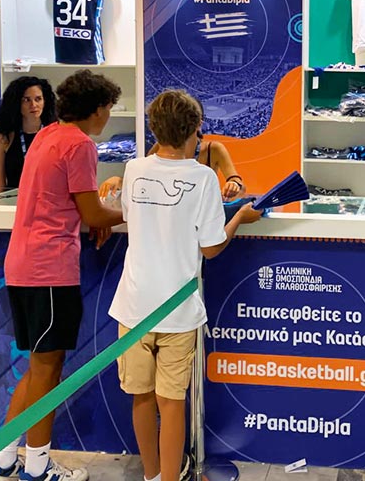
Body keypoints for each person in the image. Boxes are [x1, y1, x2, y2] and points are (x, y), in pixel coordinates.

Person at [108, 89, 261, 481]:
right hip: (177, 311)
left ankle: (151, 475)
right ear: (195, 129)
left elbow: (128, 216)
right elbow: (211, 247)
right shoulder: (203, 177)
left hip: (133, 306)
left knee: (141, 398)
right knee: (171, 402)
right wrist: (239, 219)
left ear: (155, 128)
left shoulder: (134, 169)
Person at [0, 69, 124, 481]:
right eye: (108, 109)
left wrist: (97, 215)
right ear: (96, 110)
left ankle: (3, 457)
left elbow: (77, 206)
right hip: (50, 268)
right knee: (47, 370)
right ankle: (38, 467)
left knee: (38, 367)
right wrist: (132, 210)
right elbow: (92, 213)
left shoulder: (47, 135)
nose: (108, 117)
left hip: (24, 264)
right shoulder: (80, 144)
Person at [99, 100, 245, 202]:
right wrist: (120, 181)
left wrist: (234, 185)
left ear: (198, 124)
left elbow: (239, 185)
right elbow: (143, 179)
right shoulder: (161, 147)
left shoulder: (213, 149)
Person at [0, 76, 57, 191]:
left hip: (48, 199)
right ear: (16, 103)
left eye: (38, 99)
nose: (33, 105)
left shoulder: (55, 134)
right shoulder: (3, 138)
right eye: (26, 100)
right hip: (15, 200)